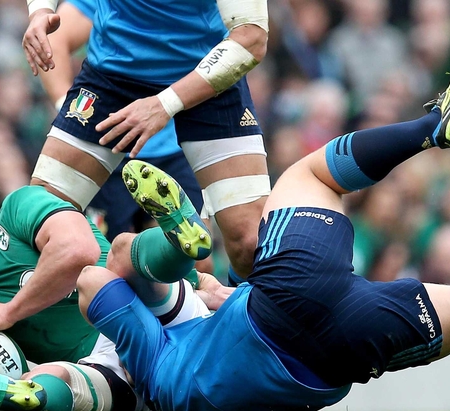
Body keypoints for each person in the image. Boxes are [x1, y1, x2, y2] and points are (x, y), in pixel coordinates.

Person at [65, 56, 450, 411]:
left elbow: (201, 310)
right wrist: (128, 297)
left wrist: (198, 297)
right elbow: (96, 284)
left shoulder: (186, 395)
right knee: (311, 176)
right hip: (282, 301)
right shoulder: (162, 378)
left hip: (341, 349)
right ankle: (431, 130)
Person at [0, 185, 223, 411]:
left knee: (119, 257)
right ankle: (177, 249)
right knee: (46, 380)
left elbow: (79, 250)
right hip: (113, 372)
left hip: (145, 307)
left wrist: (9, 312)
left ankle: (177, 245)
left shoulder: (18, 209)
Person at [22, 0, 271, 284]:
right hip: (113, 76)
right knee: (39, 222)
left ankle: (235, 320)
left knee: (251, 246)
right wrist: (40, 11)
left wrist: (163, 105)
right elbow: (60, 33)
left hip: (205, 77)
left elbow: (251, 37)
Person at [37, 0, 206, 244]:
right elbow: (55, 39)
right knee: (102, 255)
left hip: (174, 145)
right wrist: (71, 113)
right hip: (107, 148)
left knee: (196, 257)